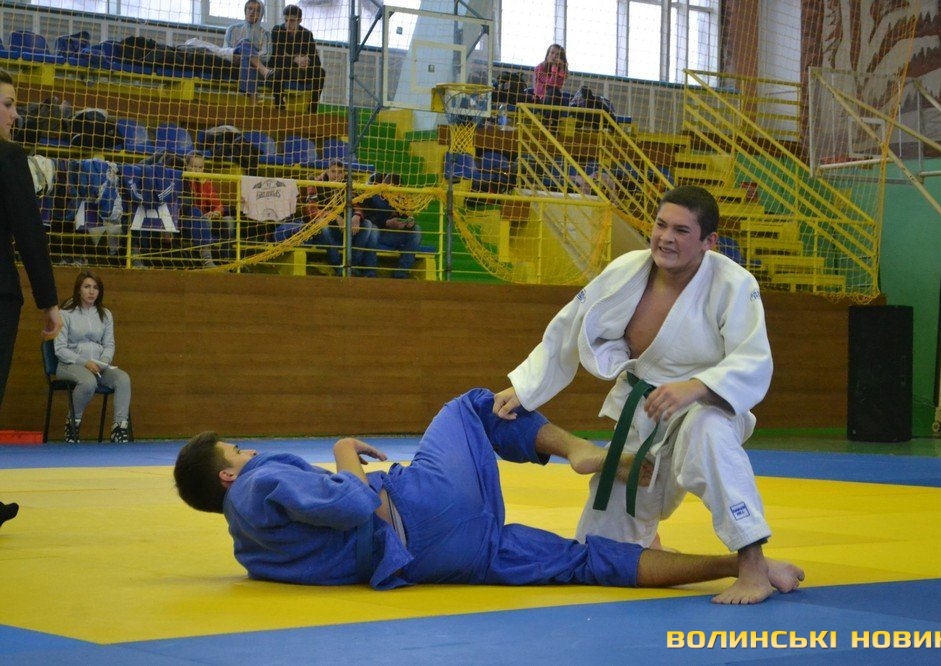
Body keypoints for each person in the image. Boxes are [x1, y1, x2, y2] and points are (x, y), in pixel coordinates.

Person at [174, 388, 803, 598]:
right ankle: (577, 449)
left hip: (435, 563)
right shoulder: (260, 483)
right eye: (236, 452)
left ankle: (741, 568)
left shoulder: (251, 552)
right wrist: (343, 453)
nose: (247, 452)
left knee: (585, 563)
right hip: (422, 504)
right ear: (227, 477)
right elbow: (353, 504)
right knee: (474, 406)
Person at [493, 185, 779, 604]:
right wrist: (524, 387)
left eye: (681, 231)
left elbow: (754, 359)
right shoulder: (627, 271)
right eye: (661, 225)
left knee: (708, 433)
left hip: (707, 405)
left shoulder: (734, 284)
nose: (665, 238)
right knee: (602, 557)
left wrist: (696, 387)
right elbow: (570, 326)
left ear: (709, 241)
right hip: (642, 410)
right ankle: (658, 546)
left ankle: (753, 563)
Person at [0, 67, 62, 412]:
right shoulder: (9, 156)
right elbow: (29, 233)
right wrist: (49, 303)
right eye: (8, 104)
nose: (16, 114)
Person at [54, 270, 132, 443]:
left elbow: (109, 344)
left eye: (95, 288)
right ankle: (72, 423)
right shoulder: (65, 313)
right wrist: (85, 363)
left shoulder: (106, 314)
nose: (91, 291)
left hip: (98, 366)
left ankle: (119, 428)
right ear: (78, 289)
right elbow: (60, 349)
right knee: (88, 382)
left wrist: (103, 362)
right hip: (70, 365)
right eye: (87, 287)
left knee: (123, 379)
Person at [275, 159, 377, 276]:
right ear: (327, 171)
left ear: (344, 174)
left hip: (342, 229)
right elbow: (311, 211)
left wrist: (357, 216)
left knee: (368, 224)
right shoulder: (315, 184)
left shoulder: (347, 185)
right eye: (333, 171)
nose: (336, 175)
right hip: (321, 232)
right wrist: (334, 216)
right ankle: (337, 265)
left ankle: (352, 264)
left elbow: (357, 206)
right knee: (323, 225)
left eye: (340, 172)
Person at [361, 173, 423, 279]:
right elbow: (367, 218)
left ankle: (401, 274)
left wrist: (409, 223)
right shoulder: (371, 197)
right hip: (375, 233)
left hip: (390, 236)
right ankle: (370, 272)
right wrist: (386, 222)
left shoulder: (401, 200)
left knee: (416, 230)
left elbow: (405, 218)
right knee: (373, 229)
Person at [270, 4, 326, 113]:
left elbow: (316, 61)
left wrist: (306, 63)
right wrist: (295, 59)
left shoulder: (306, 34)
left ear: (299, 20)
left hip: (301, 71)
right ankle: (279, 107)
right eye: (286, 20)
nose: (288, 24)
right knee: (277, 72)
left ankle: (312, 109)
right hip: (284, 69)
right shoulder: (277, 31)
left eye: (291, 21)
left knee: (320, 72)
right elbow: (275, 58)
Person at [181, 152, 225, 267]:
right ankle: (207, 260)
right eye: (194, 166)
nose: (197, 170)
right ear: (186, 166)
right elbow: (186, 206)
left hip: (203, 218)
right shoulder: (181, 180)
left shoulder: (206, 183)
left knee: (228, 222)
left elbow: (219, 205)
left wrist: (215, 213)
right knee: (196, 212)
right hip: (185, 220)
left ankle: (226, 261)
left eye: (200, 167)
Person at [224, 0, 272, 96]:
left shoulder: (265, 34)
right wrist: (236, 56)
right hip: (235, 62)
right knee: (244, 42)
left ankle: (244, 90)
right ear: (245, 10)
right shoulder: (233, 29)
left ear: (261, 14)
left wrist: (247, 56)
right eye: (250, 8)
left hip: (252, 66)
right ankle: (264, 71)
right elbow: (226, 49)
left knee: (246, 49)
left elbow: (266, 55)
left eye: (257, 10)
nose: (252, 12)